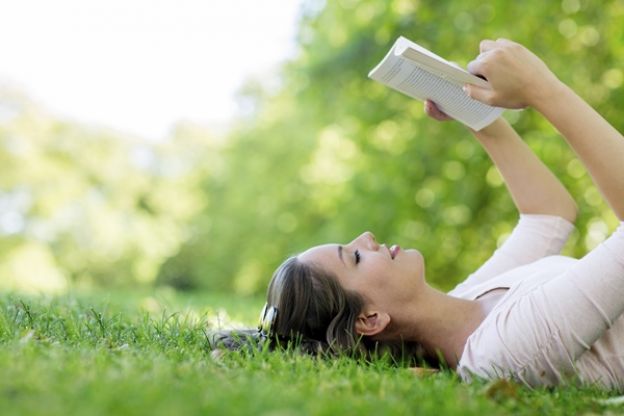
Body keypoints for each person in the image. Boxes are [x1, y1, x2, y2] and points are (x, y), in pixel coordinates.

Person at [214, 39, 624, 390]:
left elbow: (549, 215)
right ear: (371, 319)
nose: (367, 238)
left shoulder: (470, 300)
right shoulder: (500, 352)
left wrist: (474, 114)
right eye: (354, 257)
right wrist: (543, 88)